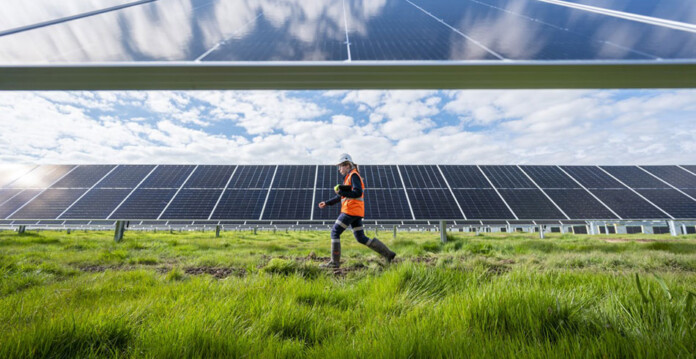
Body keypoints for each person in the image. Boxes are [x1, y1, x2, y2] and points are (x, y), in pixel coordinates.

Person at [317, 153, 396, 269]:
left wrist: (341, 193)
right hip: (356, 212)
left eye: (341, 166)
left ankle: (334, 263)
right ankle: (388, 254)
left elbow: (358, 192)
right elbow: (342, 196)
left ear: (347, 165)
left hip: (350, 211)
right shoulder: (349, 177)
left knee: (335, 232)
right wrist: (327, 202)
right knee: (360, 237)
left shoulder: (354, 175)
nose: (339, 169)